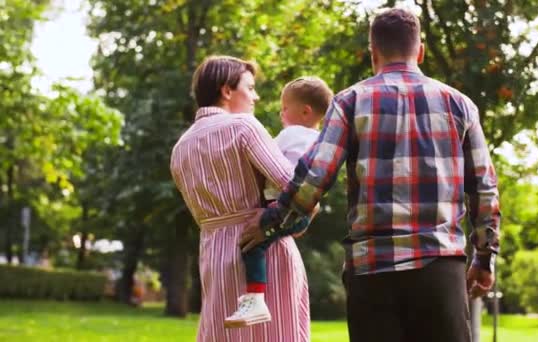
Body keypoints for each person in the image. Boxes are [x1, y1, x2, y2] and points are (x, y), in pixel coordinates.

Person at [241, 8, 501, 342]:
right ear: (419, 51)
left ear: (372, 52)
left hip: (372, 273)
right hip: (440, 271)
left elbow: (315, 177)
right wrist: (484, 256)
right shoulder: (459, 104)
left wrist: (271, 221)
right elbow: (484, 187)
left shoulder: (350, 102)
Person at [170, 55, 310, 342]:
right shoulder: (244, 126)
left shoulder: (180, 148)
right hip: (261, 249)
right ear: (226, 90)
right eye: (250, 87)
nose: (255, 96)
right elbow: (295, 186)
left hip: (213, 255)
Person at [225, 76, 333, 328]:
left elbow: (265, 158)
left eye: (285, 108)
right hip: (302, 212)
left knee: (252, 244)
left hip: (280, 210)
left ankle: (255, 298)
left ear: (305, 111)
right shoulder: (320, 141)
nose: (280, 112)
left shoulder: (290, 134)